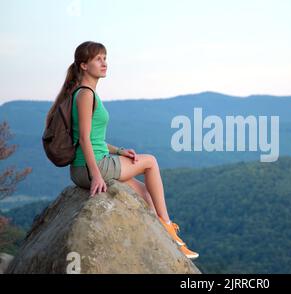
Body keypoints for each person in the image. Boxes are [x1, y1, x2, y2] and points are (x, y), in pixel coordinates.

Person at [45, 41, 198, 259]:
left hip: (88, 167)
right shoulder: (86, 94)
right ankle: (167, 225)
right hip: (93, 167)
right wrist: (97, 176)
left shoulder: (83, 93)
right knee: (151, 162)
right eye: (98, 59)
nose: (104, 63)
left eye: (105, 58)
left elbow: (93, 138)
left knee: (146, 194)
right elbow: (85, 140)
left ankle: (171, 245)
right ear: (83, 66)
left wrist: (120, 150)